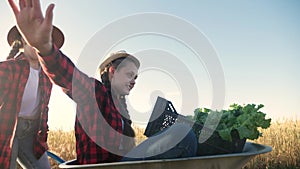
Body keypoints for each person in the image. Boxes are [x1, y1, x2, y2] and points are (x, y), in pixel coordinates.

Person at [8, 0, 198, 165]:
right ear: (113, 72)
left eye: (136, 77)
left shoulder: (121, 110)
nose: (134, 81)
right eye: (129, 74)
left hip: (118, 164)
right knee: (182, 133)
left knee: (181, 133)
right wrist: (45, 48)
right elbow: (68, 76)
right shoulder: (95, 93)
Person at [0, 25, 64, 169]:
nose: (37, 43)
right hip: (6, 129)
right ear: (22, 41)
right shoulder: (8, 68)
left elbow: (44, 108)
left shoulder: (47, 76)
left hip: (31, 133)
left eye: (43, 40)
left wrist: (43, 137)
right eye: (32, 38)